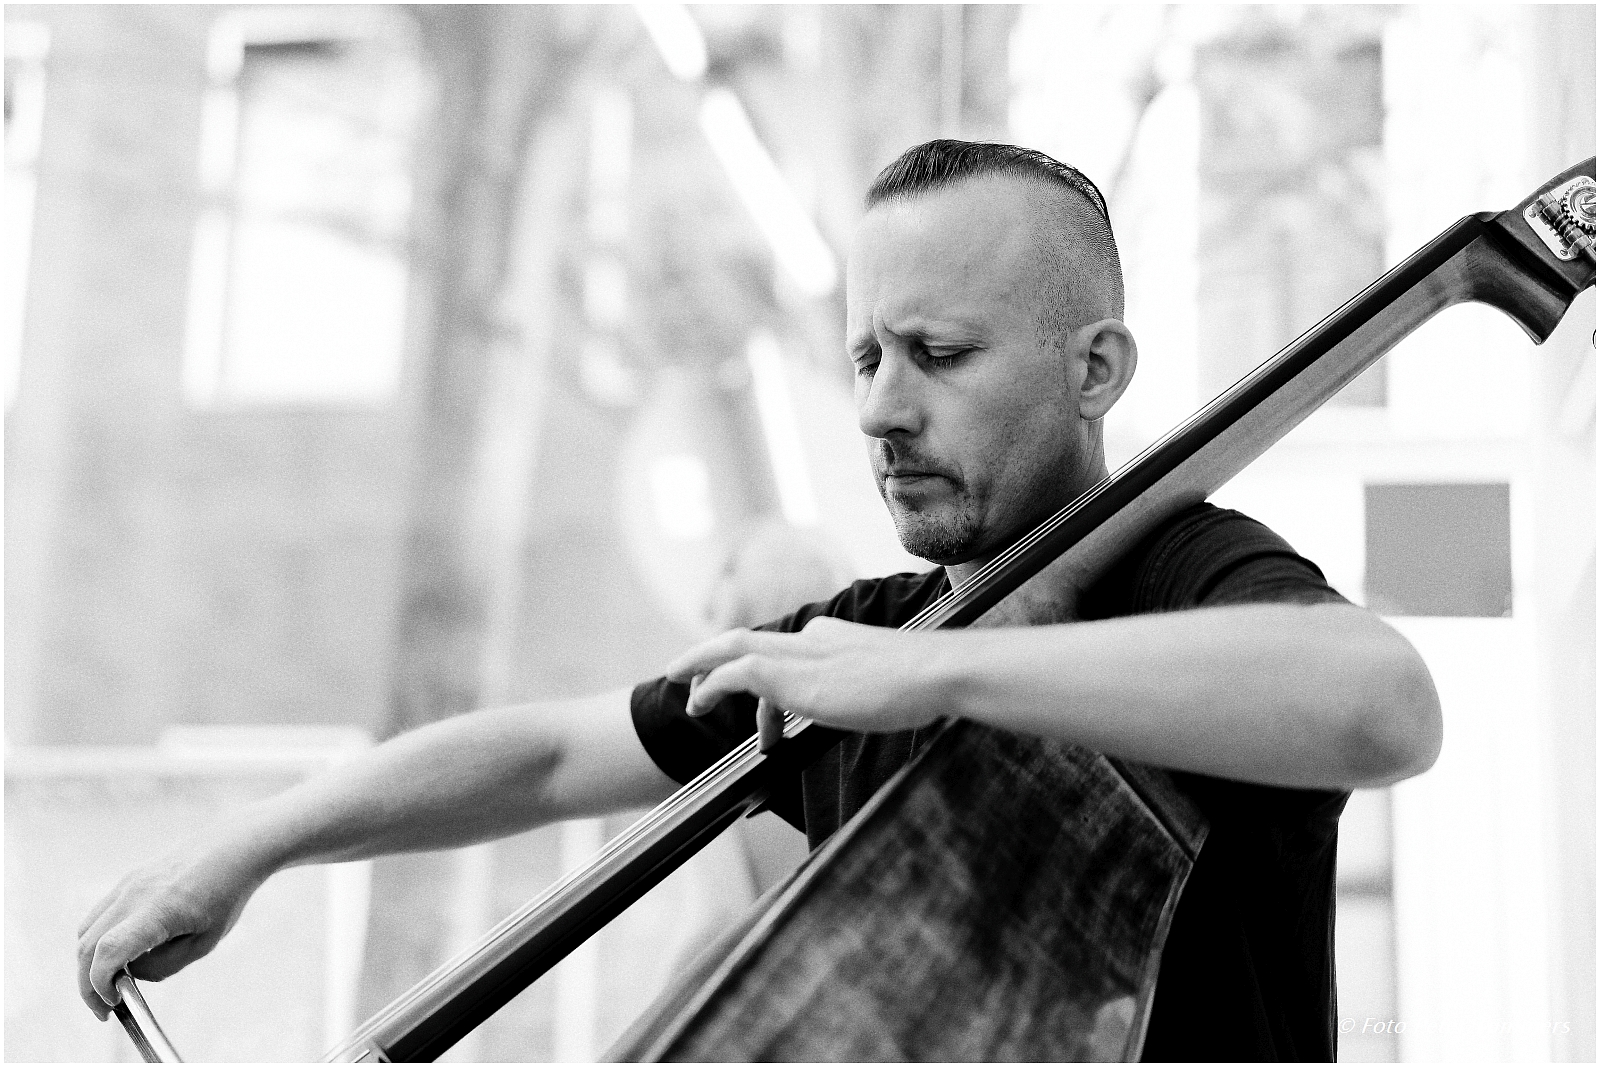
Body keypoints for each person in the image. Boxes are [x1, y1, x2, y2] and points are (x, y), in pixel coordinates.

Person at [76, 140, 1442, 1061]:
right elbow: (548, 754)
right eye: (863, 358)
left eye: (938, 353)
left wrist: (934, 677)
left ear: (1095, 370)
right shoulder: (850, 649)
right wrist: (249, 848)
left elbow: (1383, 704)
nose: (882, 409)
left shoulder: (1184, 579)